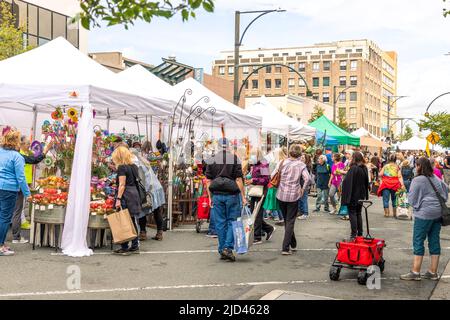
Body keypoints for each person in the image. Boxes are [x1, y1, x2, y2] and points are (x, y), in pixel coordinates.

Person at [400, 157, 449, 281]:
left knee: (418, 240)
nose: (416, 167)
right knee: (434, 240)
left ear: (419, 166)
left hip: (424, 213)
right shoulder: (435, 177)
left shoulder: (418, 179)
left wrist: (417, 206)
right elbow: (445, 190)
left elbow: (411, 199)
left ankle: (415, 271)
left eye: (417, 165)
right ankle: (433, 272)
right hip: (438, 213)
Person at [206, 138, 246, 262]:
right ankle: (227, 248)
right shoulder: (234, 158)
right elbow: (238, 179)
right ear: (228, 146)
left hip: (217, 194)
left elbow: (208, 180)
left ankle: (222, 248)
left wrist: (210, 197)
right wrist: (243, 196)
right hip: (232, 194)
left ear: (218, 146)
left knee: (220, 223)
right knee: (232, 221)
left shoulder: (212, 159)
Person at [11, 136, 52, 244]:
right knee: (17, 211)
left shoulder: (8, 154)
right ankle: (16, 237)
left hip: (9, 186)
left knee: (10, 212)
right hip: (17, 186)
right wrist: (45, 152)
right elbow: (33, 161)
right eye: (27, 143)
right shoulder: (18, 155)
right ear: (20, 144)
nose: (29, 145)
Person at [0, 129, 31, 256]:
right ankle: (0, 246)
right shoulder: (17, 157)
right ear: (15, 142)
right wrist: (27, 193)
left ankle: (1, 243)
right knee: (5, 218)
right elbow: (21, 178)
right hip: (9, 189)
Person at [275, 144, 310, 255]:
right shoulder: (301, 165)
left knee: (287, 220)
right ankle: (285, 248)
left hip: (281, 194)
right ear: (299, 154)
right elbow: (307, 178)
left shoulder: (282, 162)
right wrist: (303, 189)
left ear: (290, 152)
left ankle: (293, 243)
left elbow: (273, 175)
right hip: (293, 195)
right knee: (289, 221)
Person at [112, 146, 142, 255]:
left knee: (123, 220)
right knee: (131, 220)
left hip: (126, 195)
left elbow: (122, 184)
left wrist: (118, 199)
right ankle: (134, 245)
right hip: (134, 194)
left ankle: (125, 246)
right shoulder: (134, 166)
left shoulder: (122, 168)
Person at [246, 148, 275, 244]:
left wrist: (253, 180)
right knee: (253, 213)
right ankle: (268, 228)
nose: (251, 157)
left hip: (261, 192)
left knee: (257, 214)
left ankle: (257, 236)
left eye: (253, 155)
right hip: (255, 191)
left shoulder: (263, 164)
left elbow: (266, 180)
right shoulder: (255, 165)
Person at [341, 152, 370, 239]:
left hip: (353, 194)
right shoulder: (364, 168)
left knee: (352, 213)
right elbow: (366, 182)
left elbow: (347, 182)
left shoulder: (353, 168)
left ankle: (353, 234)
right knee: (358, 213)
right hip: (361, 194)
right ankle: (360, 233)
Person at [378, 154, 405, 218]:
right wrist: (402, 185)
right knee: (394, 199)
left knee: (385, 199)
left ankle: (387, 213)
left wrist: (383, 175)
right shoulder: (397, 167)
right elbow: (399, 176)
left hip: (385, 184)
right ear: (395, 159)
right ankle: (394, 213)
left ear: (389, 159)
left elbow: (380, 174)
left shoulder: (386, 166)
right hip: (395, 184)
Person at [298, 153, 312, 220]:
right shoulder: (301, 166)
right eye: (301, 157)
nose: (301, 159)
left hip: (304, 185)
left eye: (303, 158)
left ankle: (305, 213)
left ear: (306, 159)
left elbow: (307, 178)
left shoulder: (305, 167)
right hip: (300, 184)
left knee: (303, 199)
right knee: (300, 199)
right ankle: (301, 212)